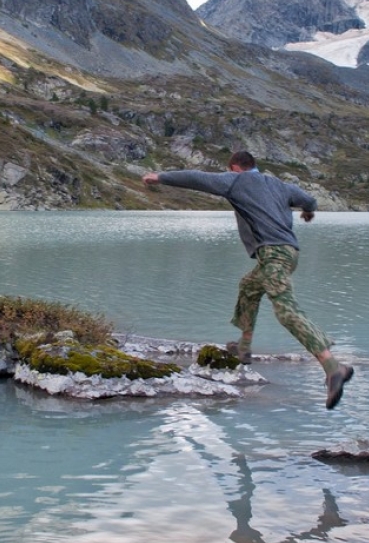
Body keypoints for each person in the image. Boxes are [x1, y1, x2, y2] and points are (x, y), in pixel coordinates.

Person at [142, 150, 353, 410]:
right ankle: (243, 348)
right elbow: (309, 200)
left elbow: (197, 178)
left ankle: (333, 368)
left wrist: (160, 177)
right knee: (249, 286)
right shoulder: (280, 185)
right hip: (287, 254)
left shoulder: (235, 181)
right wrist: (307, 212)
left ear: (234, 168)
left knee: (286, 310)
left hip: (274, 254)